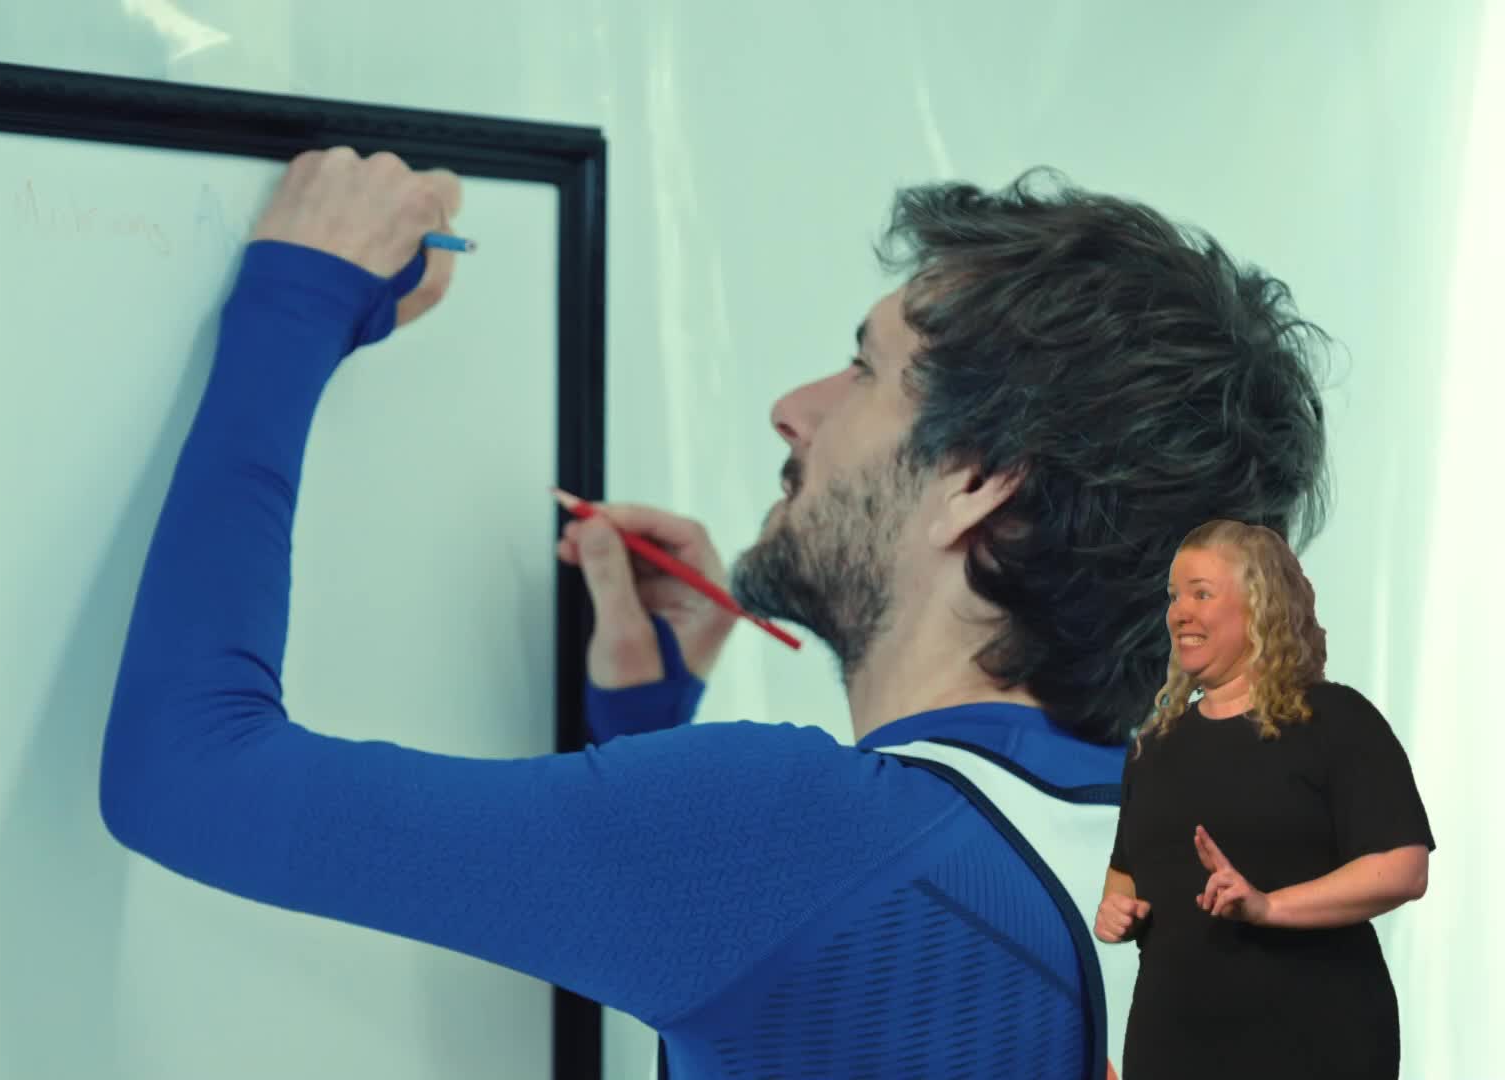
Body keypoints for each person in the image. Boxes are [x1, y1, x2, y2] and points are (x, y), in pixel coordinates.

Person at [99, 147, 1332, 1078]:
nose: (796, 406)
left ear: (979, 483)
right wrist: (643, 723)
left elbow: (187, 775)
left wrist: (296, 301)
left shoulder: (799, 837)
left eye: (864, 370)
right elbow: (822, 994)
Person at [1094, 520, 1432, 1078]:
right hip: (1172, 1046)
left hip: (1313, 1042)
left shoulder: (1336, 721)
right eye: (1174, 597)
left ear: (1261, 606)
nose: (1180, 613)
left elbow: (1402, 868)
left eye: (1202, 594)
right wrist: (1116, 910)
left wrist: (1268, 907)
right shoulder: (1154, 747)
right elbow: (1127, 872)